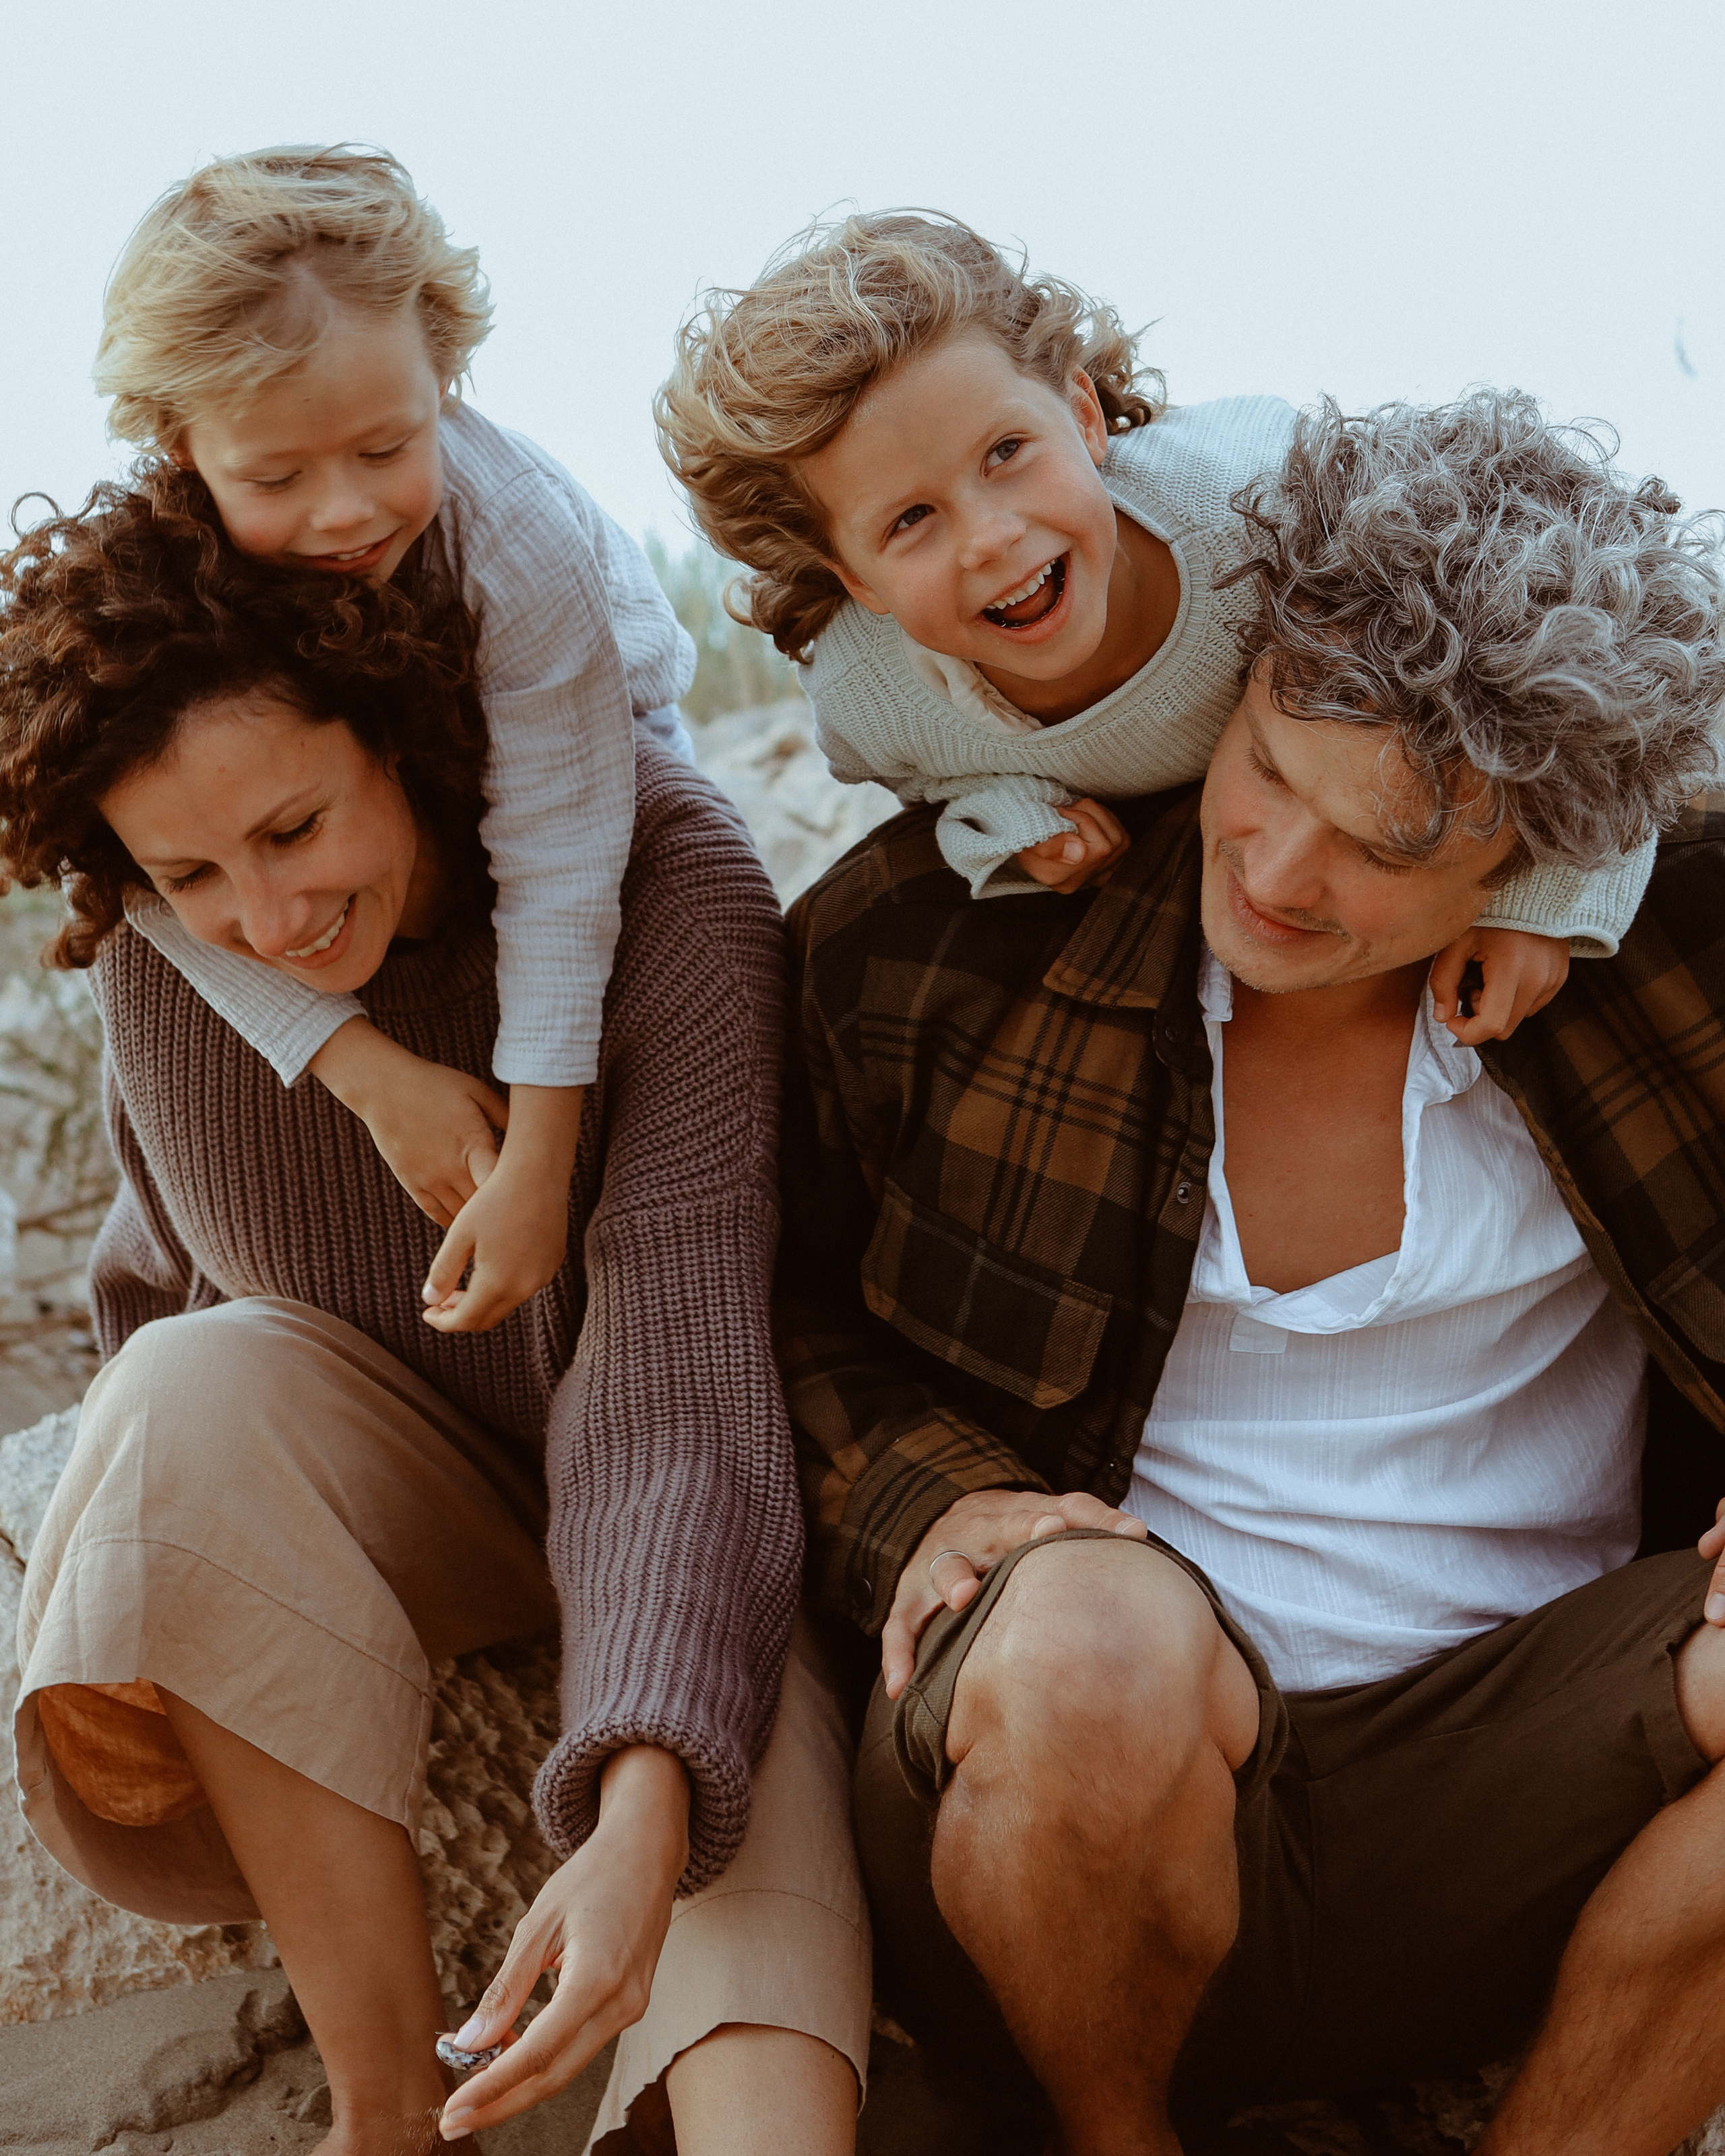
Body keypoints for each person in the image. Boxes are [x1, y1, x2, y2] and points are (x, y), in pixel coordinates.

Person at [773, 391, 1725, 2154]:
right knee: (1087, 1648)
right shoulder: (929, 946)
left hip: (1522, 1811)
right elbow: (752, 1302)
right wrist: (923, 1504)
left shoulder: (1669, 962)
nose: (1280, 875)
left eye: (1387, 850)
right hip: (1058, 1828)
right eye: (1273, 769)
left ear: (1542, 858)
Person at [0, 475, 869, 2156]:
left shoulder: (668, 881)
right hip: (436, 1495)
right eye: (191, 869)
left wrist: (633, 1800)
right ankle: (383, 2114)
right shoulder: (162, 967)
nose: (265, 919)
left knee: (742, 1991)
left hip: (722, 1500)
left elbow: (676, 1378)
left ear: (398, 731)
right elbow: (179, 1318)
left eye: (296, 829)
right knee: (188, 1386)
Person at [656, 210, 1664, 1048]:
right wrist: (1012, 819)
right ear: (855, 580)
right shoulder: (868, 699)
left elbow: (1600, 664)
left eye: (1007, 450)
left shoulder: (1267, 509)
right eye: (911, 521)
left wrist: (1555, 906)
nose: (992, 536)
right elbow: (939, 790)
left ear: (1084, 418)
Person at [94, 142, 697, 1334]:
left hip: (586, 750)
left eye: (386, 449)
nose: (344, 511)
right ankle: (169, 1287)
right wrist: (366, 1075)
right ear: (181, 448)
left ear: (447, 378)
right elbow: (145, 863)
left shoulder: (519, 549)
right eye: (274, 475)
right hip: (346, 786)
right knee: (169, 939)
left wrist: (535, 1163)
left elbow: (563, 859)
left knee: (652, 922)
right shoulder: (164, 571)